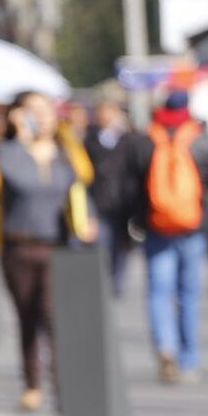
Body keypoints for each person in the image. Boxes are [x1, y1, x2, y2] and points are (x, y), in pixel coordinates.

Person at [0, 90, 96, 412]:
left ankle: (61, 383)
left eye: (44, 110)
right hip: (17, 245)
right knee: (26, 316)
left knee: (53, 315)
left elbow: (84, 175)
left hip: (56, 244)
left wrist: (65, 135)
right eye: (31, 110)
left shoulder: (62, 150)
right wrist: (13, 138)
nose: (39, 116)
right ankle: (31, 382)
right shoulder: (6, 150)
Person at [123, 90, 208, 383]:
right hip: (192, 228)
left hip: (155, 227)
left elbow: (131, 188)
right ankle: (189, 359)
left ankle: (164, 348)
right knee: (188, 294)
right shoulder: (201, 140)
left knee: (158, 291)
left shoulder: (146, 141)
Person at [84, 99, 134, 297]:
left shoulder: (127, 138)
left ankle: (117, 282)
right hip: (100, 201)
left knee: (121, 246)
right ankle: (104, 283)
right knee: (102, 244)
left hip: (122, 204)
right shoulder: (90, 138)